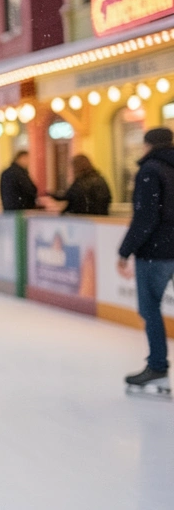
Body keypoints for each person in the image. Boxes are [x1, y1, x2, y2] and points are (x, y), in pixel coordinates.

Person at [118, 128, 174, 399]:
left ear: (148, 145)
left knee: (150, 307)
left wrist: (124, 251)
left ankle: (157, 368)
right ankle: (157, 367)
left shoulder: (151, 170)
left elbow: (146, 217)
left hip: (157, 250)